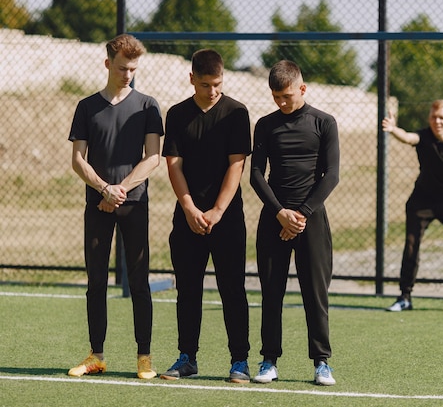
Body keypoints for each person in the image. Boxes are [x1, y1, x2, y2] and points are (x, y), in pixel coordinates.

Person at [67, 34, 163, 379]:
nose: (128, 74)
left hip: (134, 203)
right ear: (108, 64)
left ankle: (144, 359)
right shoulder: (86, 107)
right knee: (96, 281)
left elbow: (153, 157)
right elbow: (78, 160)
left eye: (134, 69)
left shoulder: (149, 105)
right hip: (98, 203)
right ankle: (96, 356)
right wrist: (103, 189)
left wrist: (119, 189)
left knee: (139, 281)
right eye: (123, 67)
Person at [160, 49, 252, 383]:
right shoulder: (176, 114)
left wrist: (216, 211)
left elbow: (236, 164)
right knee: (188, 289)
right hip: (187, 218)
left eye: (217, 84)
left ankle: (239, 360)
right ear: (191, 79)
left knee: (233, 289)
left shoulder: (237, 113)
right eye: (204, 84)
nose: (211, 90)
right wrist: (189, 208)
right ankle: (187, 358)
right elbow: (173, 164)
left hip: (227, 219)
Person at [250, 60, 340, 386]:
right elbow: (256, 175)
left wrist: (300, 213)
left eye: (287, 96)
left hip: (311, 220)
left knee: (314, 294)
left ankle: (321, 362)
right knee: (271, 293)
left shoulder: (324, 123)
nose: (282, 102)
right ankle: (268, 361)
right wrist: (279, 213)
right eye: (276, 97)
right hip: (274, 217)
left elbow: (332, 176)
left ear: (302, 89)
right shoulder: (264, 125)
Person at [382, 99, 443, 313]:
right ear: (429, 119)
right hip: (421, 199)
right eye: (434, 117)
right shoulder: (423, 136)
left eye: (442, 117)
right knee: (412, 244)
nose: (437, 121)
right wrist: (394, 128)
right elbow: (408, 137)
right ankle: (405, 297)